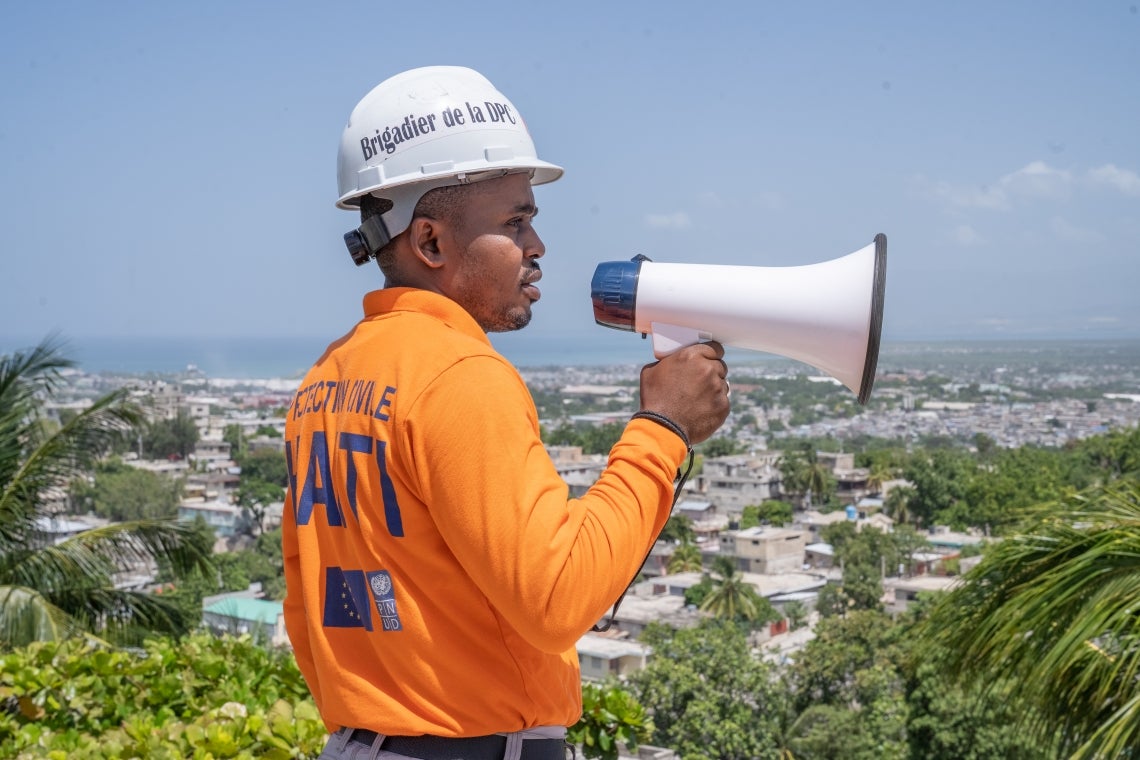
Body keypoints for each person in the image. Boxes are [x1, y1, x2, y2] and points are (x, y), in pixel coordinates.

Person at [282, 65, 731, 760]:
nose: (537, 247)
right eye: (515, 223)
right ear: (430, 242)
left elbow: (305, 609)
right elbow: (557, 598)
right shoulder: (459, 373)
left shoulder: (326, 381)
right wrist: (663, 428)